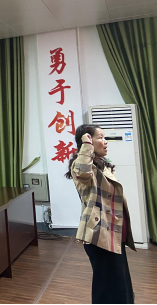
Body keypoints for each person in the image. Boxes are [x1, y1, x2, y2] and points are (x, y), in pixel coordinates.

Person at [66, 124, 135, 304]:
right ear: (87, 142)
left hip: (114, 232)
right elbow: (84, 172)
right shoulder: (80, 166)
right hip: (99, 235)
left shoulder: (102, 164)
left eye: (104, 137)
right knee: (107, 287)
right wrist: (86, 146)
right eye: (100, 137)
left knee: (120, 283)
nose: (105, 142)